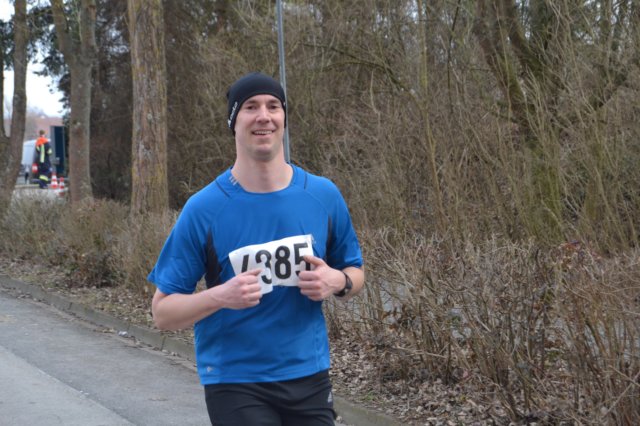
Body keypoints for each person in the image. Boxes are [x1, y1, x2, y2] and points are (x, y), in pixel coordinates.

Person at [148, 72, 364, 425]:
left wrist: (337, 281)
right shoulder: (204, 209)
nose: (264, 115)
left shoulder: (323, 195)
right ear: (233, 123)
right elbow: (162, 313)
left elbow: (355, 272)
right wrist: (220, 296)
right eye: (251, 107)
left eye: (273, 106)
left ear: (283, 119)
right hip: (236, 381)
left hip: (309, 375)